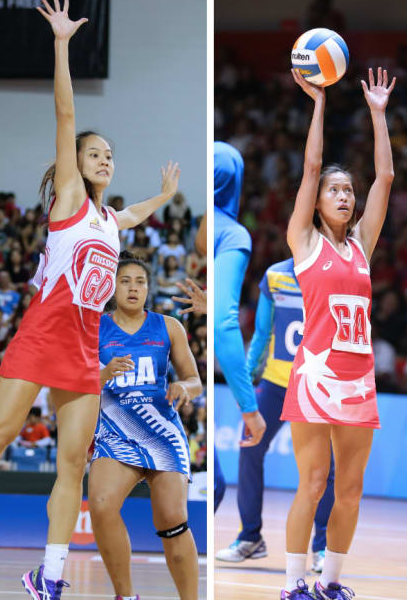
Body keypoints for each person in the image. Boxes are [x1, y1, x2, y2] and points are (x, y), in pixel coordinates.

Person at [0, 0, 180, 598]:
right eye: (95, 153)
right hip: (42, 335)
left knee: (72, 464)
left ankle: (49, 575)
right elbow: (66, 114)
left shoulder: (109, 220)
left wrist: (163, 196)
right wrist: (62, 44)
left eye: (109, 156)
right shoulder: (69, 199)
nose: (105, 159)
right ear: (76, 162)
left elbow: (136, 214)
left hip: (82, 350)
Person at [279, 67, 395, 600]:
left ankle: (330, 582)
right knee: (312, 485)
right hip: (314, 377)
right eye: (335, 190)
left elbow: (385, 179)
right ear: (318, 200)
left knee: (350, 490)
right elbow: (309, 166)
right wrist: (319, 104)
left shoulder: (362, 244)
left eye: (348, 190)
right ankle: (292, 584)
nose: (345, 196)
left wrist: (378, 114)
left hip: (358, 377)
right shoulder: (304, 241)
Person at [88, 253, 202, 600]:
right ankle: (126, 596)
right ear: (112, 287)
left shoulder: (169, 327)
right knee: (101, 504)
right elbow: (74, 383)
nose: (133, 288)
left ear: (149, 288)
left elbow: (195, 380)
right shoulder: (95, 328)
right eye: (125, 281)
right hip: (115, 431)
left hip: (162, 430)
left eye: (140, 282)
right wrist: (103, 374)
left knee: (171, 517)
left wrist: (184, 387)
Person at [215, 257, 335, 573]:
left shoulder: (333, 271)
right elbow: (262, 333)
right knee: (250, 448)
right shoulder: (275, 276)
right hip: (276, 383)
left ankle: (322, 547)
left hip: (317, 384)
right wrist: (246, 379)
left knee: (325, 467)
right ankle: (250, 537)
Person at [212, 141, 267, 511]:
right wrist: (248, 407)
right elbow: (223, 323)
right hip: (183, 373)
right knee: (213, 487)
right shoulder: (232, 234)